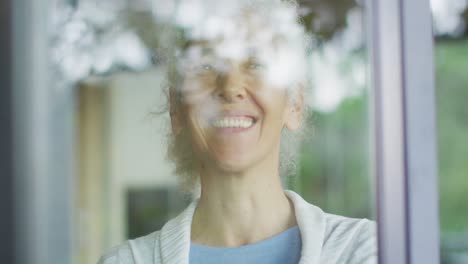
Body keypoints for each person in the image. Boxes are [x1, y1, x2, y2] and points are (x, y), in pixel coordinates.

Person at [99, 0, 377, 263]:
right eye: (206, 64)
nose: (231, 87)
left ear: (295, 103)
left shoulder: (367, 251)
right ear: (176, 108)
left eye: (256, 63)